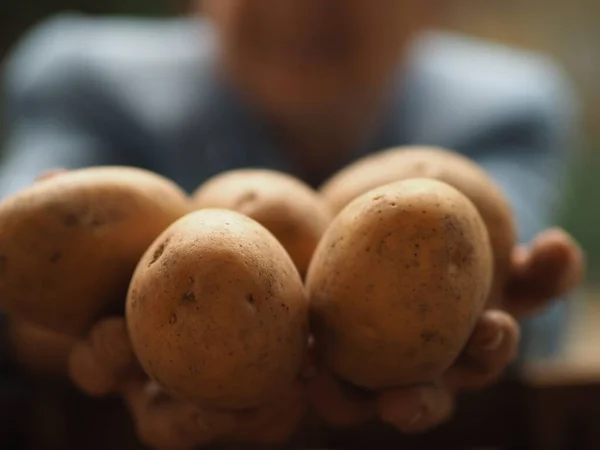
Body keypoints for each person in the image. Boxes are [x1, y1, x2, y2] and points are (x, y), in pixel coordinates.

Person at [0, 0, 584, 448]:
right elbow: (22, 260)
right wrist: (58, 326)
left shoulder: (509, 104)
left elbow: (511, 281)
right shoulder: (83, 77)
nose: (300, 7)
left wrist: (490, 312)